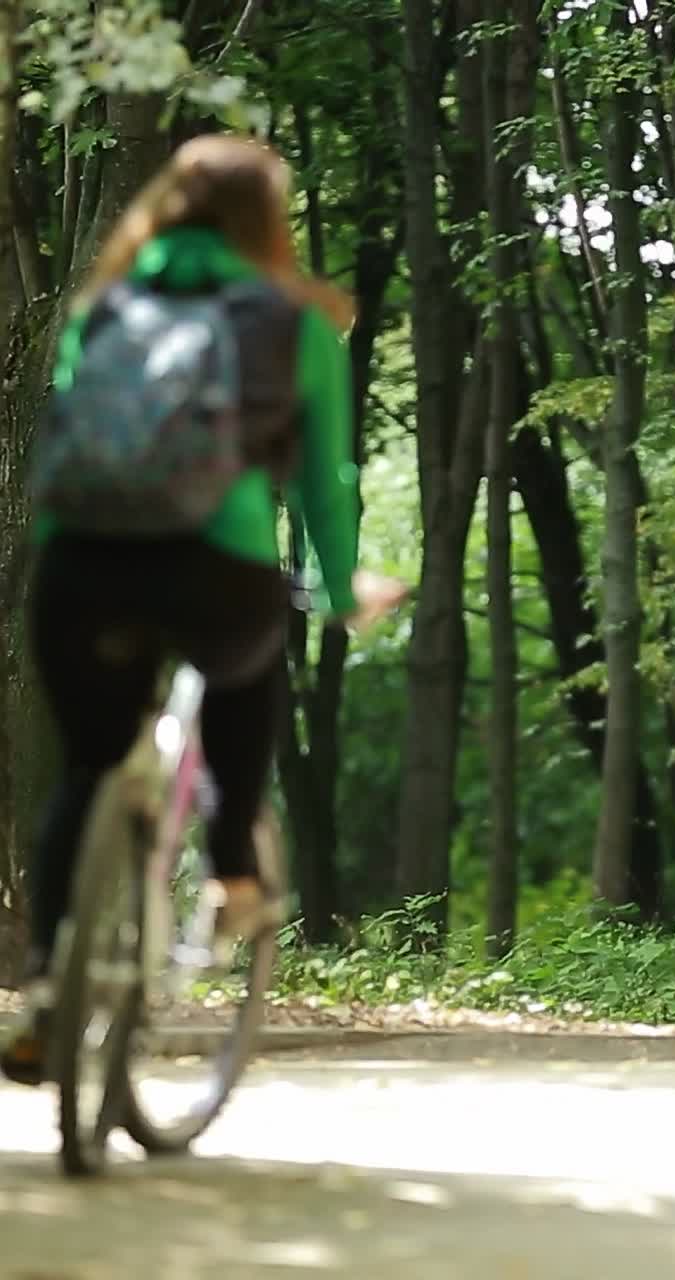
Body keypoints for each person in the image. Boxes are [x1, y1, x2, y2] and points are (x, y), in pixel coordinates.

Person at [1, 135, 404, 1086]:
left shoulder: (102, 309)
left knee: (90, 769)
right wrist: (340, 591)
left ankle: (49, 989)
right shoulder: (292, 319)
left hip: (79, 569)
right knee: (244, 673)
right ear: (268, 221)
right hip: (212, 568)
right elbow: (324, 479)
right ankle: (233, 872)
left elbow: (70, 444)